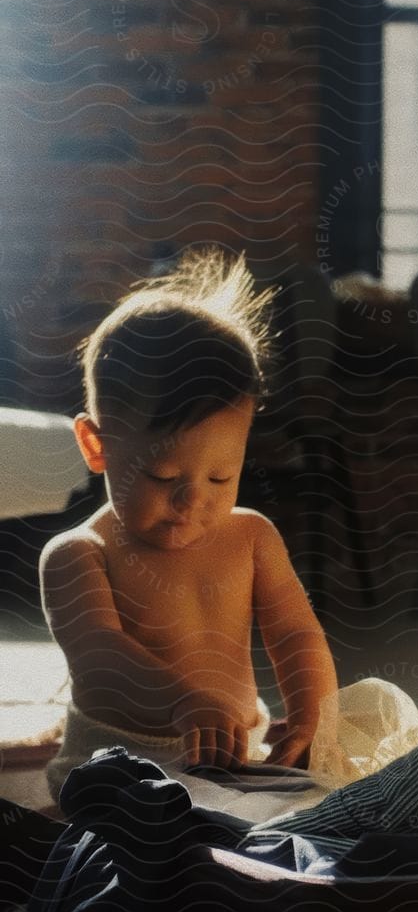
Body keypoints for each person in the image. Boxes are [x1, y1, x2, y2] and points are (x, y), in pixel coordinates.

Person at [40, 250, 344, 800]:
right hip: (120, 764)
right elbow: (99, 655)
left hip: (236, 757)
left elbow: (295, 633)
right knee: (134, 848)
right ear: (96, 444)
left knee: (331, 812)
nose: (191, 502)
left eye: (221, 478)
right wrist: (182, 701)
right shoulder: (79, 554)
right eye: (162, 476)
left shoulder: (251, 537)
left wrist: (308, 713)